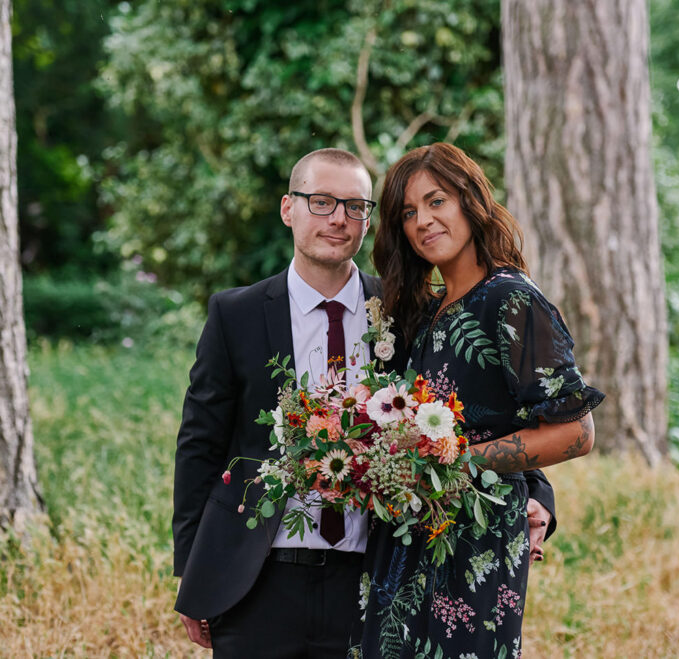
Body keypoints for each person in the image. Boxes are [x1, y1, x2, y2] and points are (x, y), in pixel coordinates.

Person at [173, 147, 558, 658]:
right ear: (289, 208)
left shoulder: (412, 311)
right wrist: (195, 574)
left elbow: (476, 409)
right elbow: (200, 446)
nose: (339, 219)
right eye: (322, 202)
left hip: (374, 578)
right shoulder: (235, 313)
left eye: (355, 206)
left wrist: (537, 491)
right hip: (255, 578)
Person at [355, 143, 605, 659]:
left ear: (469, 201)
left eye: (437, 201)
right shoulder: (425, 316)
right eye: (408, 212)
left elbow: (576, 432)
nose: (423, 220)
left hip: (475, 543)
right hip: (403, 541)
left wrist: (457, 465)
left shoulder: (510, 298)